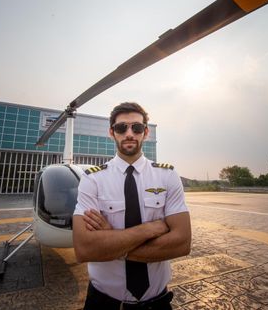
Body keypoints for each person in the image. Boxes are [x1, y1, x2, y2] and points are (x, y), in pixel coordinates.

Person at [73, 102, 191, 310]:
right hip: (104, 303)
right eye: (121, 128)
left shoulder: (167, 175)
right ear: (112, 132)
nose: (129, 133)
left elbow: (181, 243)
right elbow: (84, 249)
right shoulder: (92, 179)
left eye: (136, 128)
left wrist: (112, 240)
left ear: (145, 133)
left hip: (157, 303)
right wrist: (149, 229)